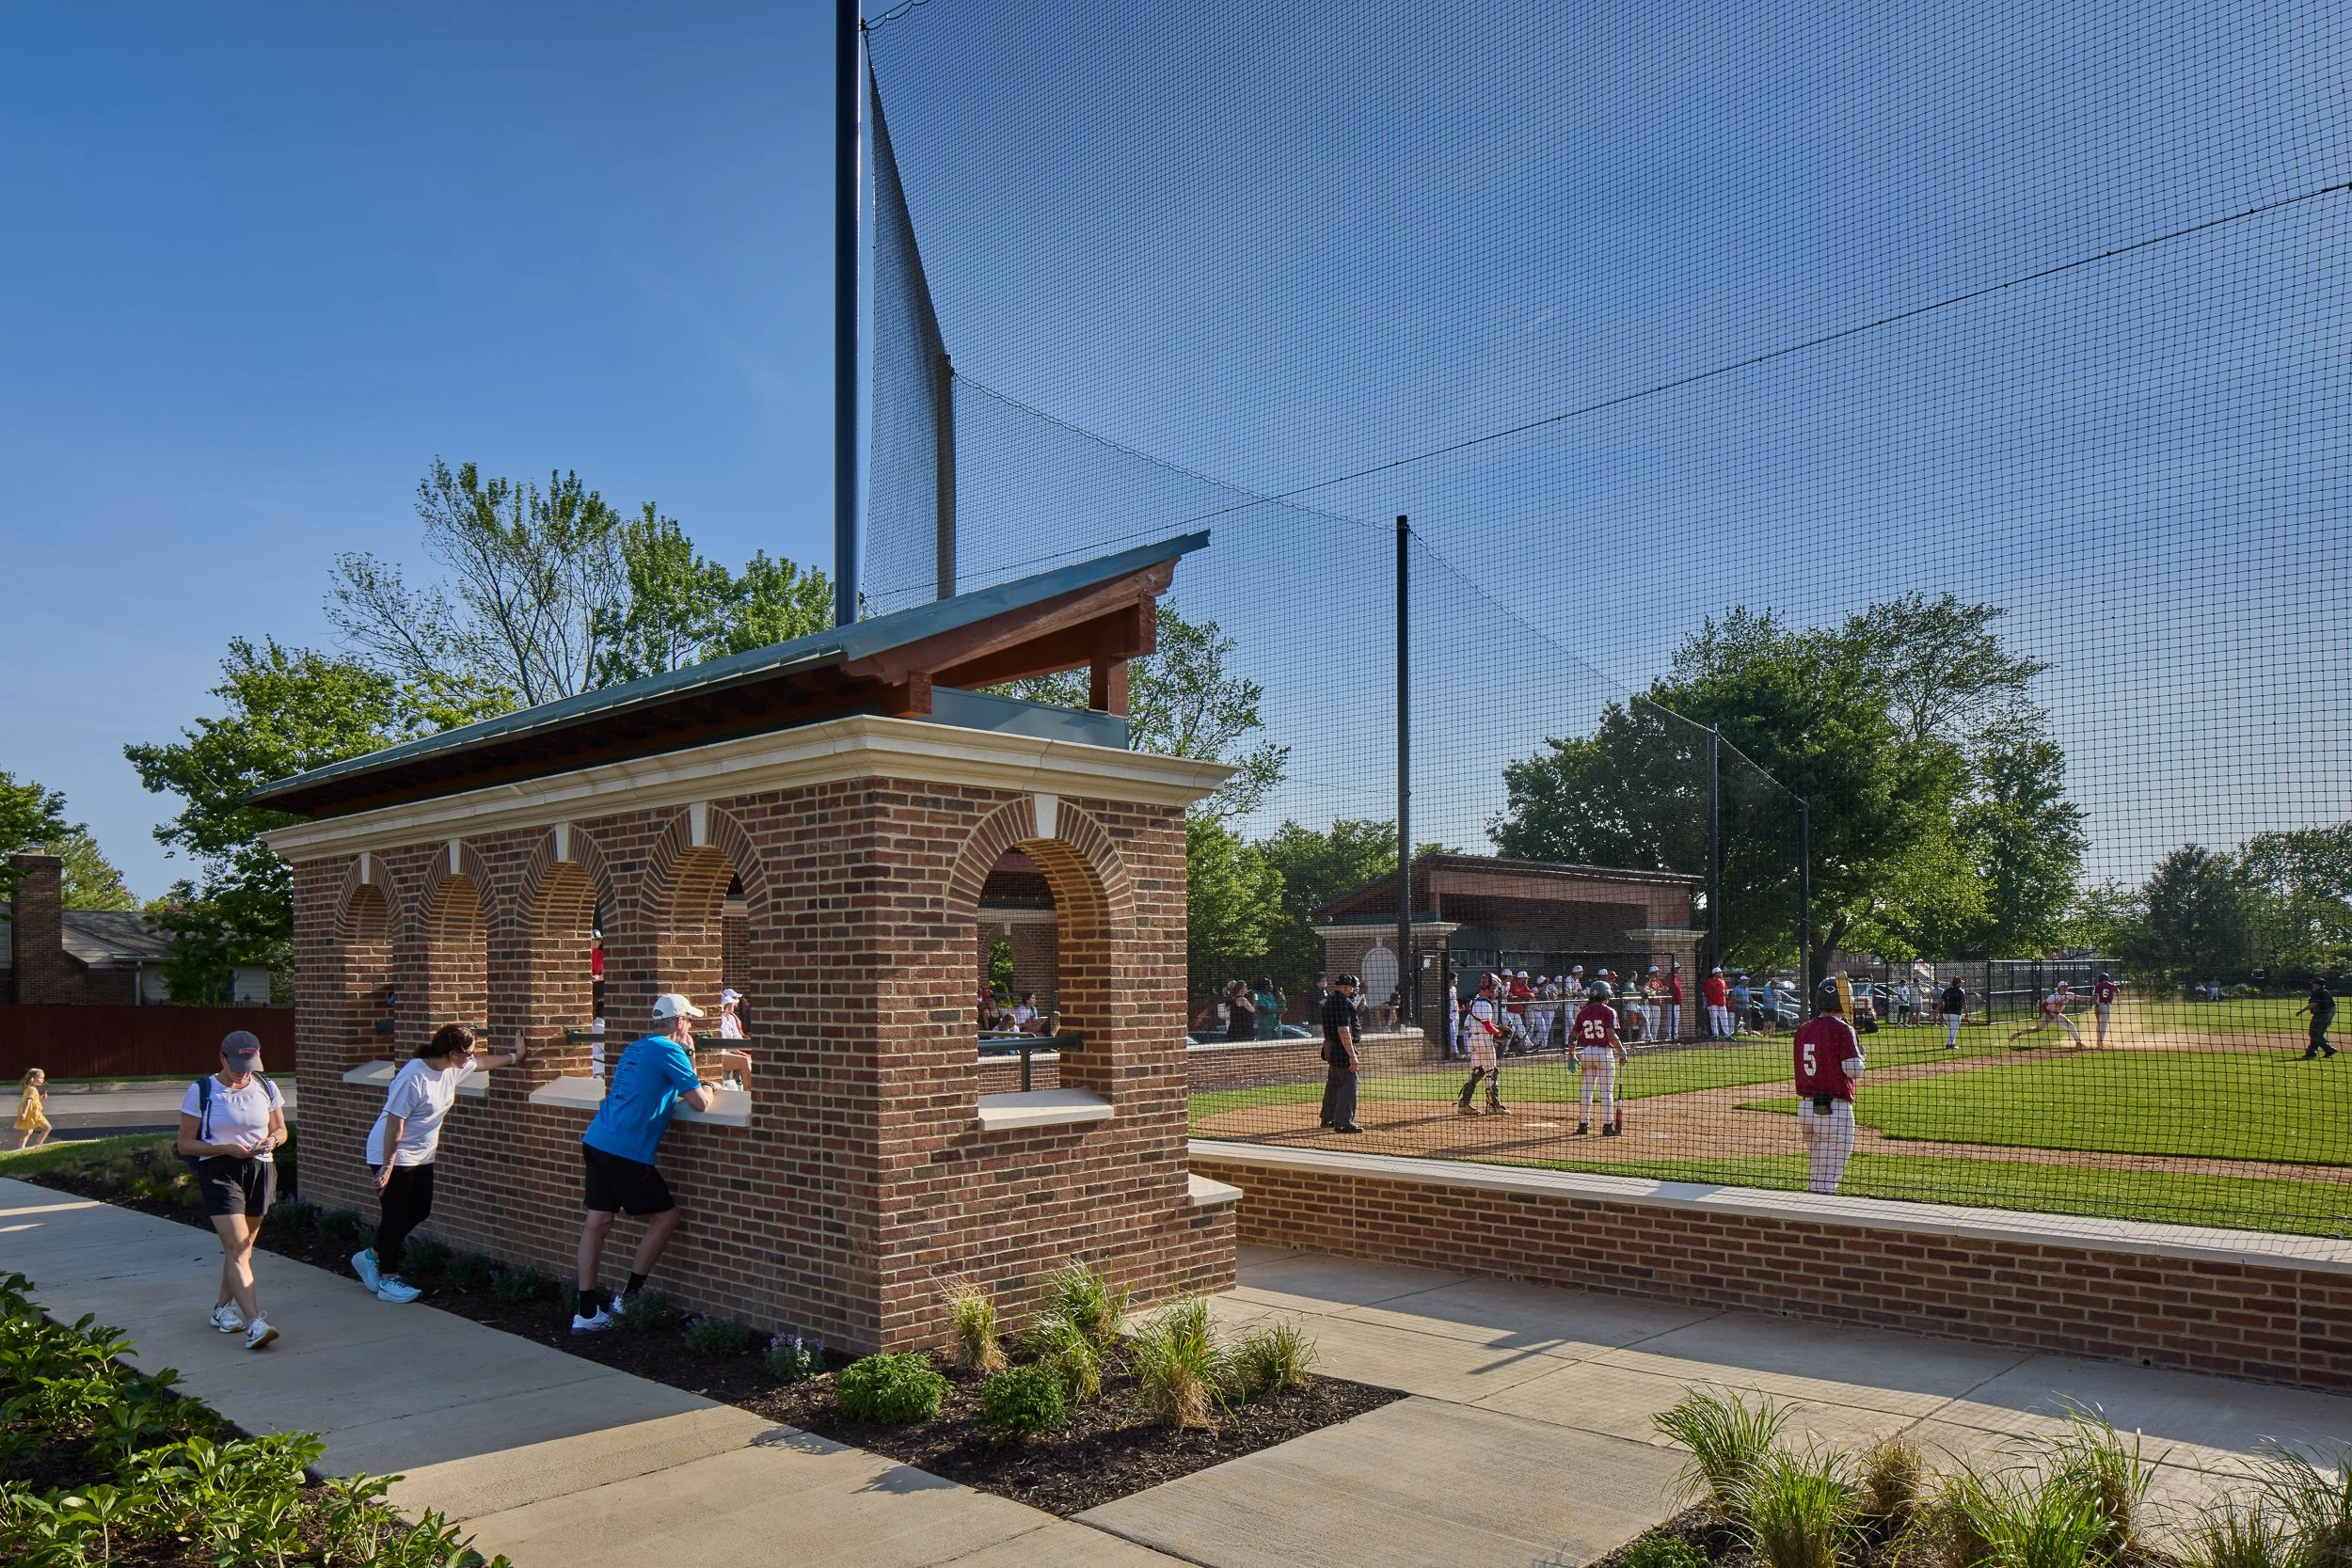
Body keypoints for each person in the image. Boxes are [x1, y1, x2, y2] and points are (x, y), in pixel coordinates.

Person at [571, 994, 754, 1335]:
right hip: (627, 1149)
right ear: (680, 1022)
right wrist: (711, 1086)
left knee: (597, 1220)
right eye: (690, 1021)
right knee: (667, 1217)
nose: (691, 1027)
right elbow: (699, 1102)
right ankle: (630, 1297)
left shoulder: (636, 1047)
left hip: (597, 1138)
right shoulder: (669, 1051)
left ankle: (585, 1312)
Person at [352, 1024, 528, 1304]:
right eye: (467, 1052)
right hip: (392, 1153)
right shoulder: (413, 1077)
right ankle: (388, 1278)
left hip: (422, 1154)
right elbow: (394, 1124)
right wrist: (387, 1167)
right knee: (395, 1214)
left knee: (420, 1210)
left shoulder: (452, 1067)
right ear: (451, 1052)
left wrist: (514, 1056)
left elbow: (480, 1063)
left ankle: (371, 1256)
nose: (471, 1057)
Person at [177, 1031, 288, 1349]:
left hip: (260, 1168)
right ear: (223, 1058)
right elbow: (185, 1143)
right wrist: (225, 1148)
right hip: (219, 1170)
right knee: (238, 1245)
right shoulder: (202, 1090)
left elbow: (281, 1129)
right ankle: (256, 1322)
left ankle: (221, 1309)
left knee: (243, 1248)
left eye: (249, 1064)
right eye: (238, 1064)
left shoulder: (266, 1086)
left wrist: (272, 1141)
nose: (244, 1071)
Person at [1793, 981, 1865, 1193]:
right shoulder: (1843, 1028)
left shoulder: (1804, 1028)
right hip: (1834, 1111)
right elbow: (1853, 1070)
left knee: (1818, 1173)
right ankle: (1816, 1220)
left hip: (1807, 1109)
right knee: (1826, 1181)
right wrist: (1861, 1056)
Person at [1572, 979, 1626, 1135]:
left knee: (1586, 1091)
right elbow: (1610, 1034)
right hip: (1604, 1054)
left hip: (1587, 1053)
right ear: (1606, 995)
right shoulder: (1609, 1011)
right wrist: (1622, 1051)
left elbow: (1574, 1035)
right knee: (1606, 1092)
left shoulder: (1583, 1012)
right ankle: (1608, 1126)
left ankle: (1583, 1125)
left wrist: (1571, 1054)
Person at [1319, 973, 1364, 1132]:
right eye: (1352, 988)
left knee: (1333, 1083)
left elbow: (1325, 1029)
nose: (1354, 990)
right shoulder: (1344, 1003)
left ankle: (1328, 1118)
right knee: (1350, 1083)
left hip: (1330, 1047)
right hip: (1342, 1047)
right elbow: (1344, 1030)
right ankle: (1343, 1122)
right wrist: (1352, 1055)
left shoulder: (1329, 1001)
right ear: (1346, 987)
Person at [1456, 974, 1507, 1115]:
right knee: (1492, 1071)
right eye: (1495, 987)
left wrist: (1494, 1028)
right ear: (1489, 987)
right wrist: (1499, 1033)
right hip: (1484, 1040)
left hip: (1474, 1041)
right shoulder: (1484, 1003)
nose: (1496, 990)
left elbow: (1472, 1023)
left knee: (1477, 1072)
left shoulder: (1475, 1000)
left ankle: (1464, 1104)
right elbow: (1488, 1027)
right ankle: (1493, 1106)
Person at [2008, 981, 2086, 1048]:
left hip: (2057, 1015)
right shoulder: (2053, 996)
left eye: (2066, 987)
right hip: (2049, 1015)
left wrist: (2092, 998)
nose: (2066, 988)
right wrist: (2049, 1014)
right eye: (2064, 987)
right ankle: (2018, 1033)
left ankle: (2078, 1043)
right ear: (2059, 988)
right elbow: (2044, 1006)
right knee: (2038, 1029)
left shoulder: (2069, 994)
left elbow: (2079, 997)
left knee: (2070, 1025)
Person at [2296, 980, 2338, 1059]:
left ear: (2317, 985)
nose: (2312, 985)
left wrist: (2301, 1011)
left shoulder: (2317, 992)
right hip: (2326, 1015)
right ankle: (2311, 1052)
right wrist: (2330, 1018)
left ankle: (2329, 1049)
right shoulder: (2326, 992)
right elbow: (2333, 1007)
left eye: (2313, 984)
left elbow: (2313, 1004)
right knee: (2318, 1034)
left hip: (2319, 1016)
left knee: (2314, 1033)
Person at [12, 1068, 52, 1150]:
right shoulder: (33, 1089)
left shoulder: (30, 1088)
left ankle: (21, 1148)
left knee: (28, 1131)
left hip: (30, 1112)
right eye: (40, 1077)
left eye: (43, 1078)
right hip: (33, 1113)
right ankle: (38, 1144)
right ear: (33, 1078)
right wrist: (24, 1113)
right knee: (47, 1127)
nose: (42, 1080)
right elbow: (28, 1101)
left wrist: (41, 1098)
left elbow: (34, 1101)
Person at [1224, 979, 1258, 1043]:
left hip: (1235, 1027)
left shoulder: (1233, 998)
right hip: (1244, 1028)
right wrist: (1255, 1002)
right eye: (1245, 986)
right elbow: (1252, 1010)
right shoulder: (1242, 999)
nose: (1247, 988)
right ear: (1241, 988)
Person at [1253, 975, 1286, 1040]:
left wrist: (1282, 1010)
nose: (1272, 986)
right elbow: (1263, 1010)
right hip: (1265, 1026)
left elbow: (1279, 1006)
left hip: (1276, 1025)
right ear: (1264, 986)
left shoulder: (1271, 995)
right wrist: (1278, 1010)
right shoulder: (1258, 996)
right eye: (1270, 985)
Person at [2091, 973, 2119, 1049]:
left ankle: (2098, 1040)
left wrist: (2097, 1002)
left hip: (2097, 1006)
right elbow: (2118, 991)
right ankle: (2100, 1042)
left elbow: (2095, 995)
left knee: (2099, 1023)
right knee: (2103, 1025)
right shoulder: (2112, 985)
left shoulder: (2098, 985)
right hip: (2106, 1006)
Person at [1940, 974, 1967, 1049]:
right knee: (1953, 1029)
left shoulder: (1947, 990)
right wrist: (1966, 1013)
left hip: (1946, 1013)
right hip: (1955, 1013)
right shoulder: (1960, 991)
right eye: (1960, 982)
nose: (1961, 984)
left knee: (1952, 1028)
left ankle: (1952, 1043)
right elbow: (1963, 1003)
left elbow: (1941, 1001)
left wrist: (1937, 1009)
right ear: (1957, 983)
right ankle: (1950, 1044)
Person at [1663, 960, 1685, 1042]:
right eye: (1677, 968)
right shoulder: (1669, 977)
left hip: (1677, 1002)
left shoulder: (1676, 978)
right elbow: (1666, 989)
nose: (1678, 969)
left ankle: (1675, 1035)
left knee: (1676, 1019)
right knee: (1670, 1019)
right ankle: (1669, 1036)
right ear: (1673, 969)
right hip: (1671, 1002)